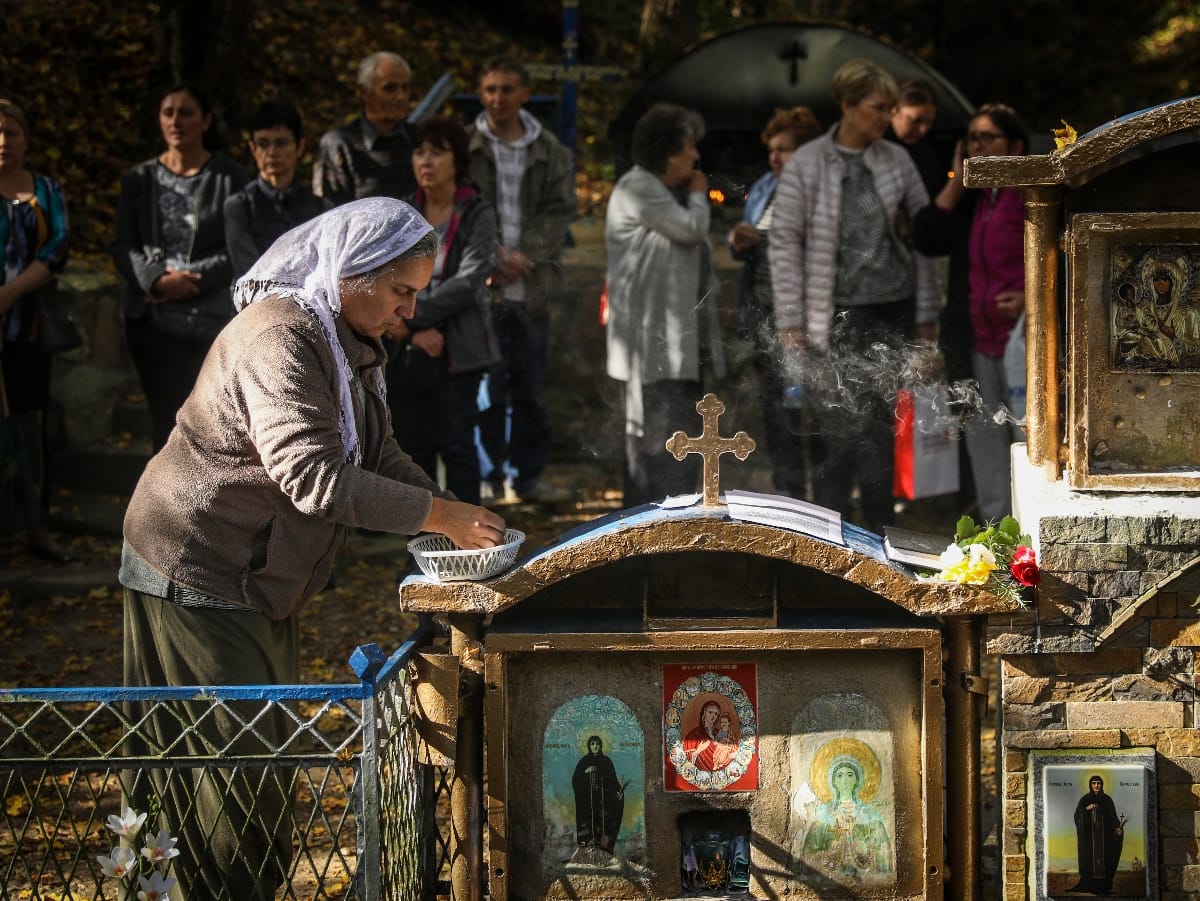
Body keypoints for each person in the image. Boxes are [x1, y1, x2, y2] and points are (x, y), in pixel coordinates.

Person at [119, 197, 506, 900]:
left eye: (416, 294)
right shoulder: (283, 336)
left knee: (252, 766)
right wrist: (439, 511)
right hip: (198, 562)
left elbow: (377, 451)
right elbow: (314, 476)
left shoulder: (347, 338)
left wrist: (456, 523)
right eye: (400, 292)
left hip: (259, 574)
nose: (408, 312)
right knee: (233, 777)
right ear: (353, 272)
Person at [768, 60, 939, 533]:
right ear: (847, 105)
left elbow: (922, 239)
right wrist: (789, 319)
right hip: (833, 315)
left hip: (892, 309)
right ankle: (831, 537)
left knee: (881, 430)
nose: (886, 116)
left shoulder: (896, 159)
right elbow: (783, 243)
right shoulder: (807, 163)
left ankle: (884, 536)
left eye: (889, 108)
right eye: (877, 107)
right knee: (835, 429)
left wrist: (926, 319)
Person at [112, 83, 249, 450]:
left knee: (210, 422)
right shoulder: (139, 180)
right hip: (151, 319)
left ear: (205, 121)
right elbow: (123, 245)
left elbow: (239, 248)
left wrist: (191, 281)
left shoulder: (231, 178)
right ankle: (162, 505)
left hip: (210, 317)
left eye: (186, 112)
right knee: (164, 420)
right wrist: (157, 281)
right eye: (168, 112)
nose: (176, 121)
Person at [468, 56, 575, 504]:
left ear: (525, 93)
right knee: (486, 391)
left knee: (529, 389)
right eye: (490, 89)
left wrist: (523, 255)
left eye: (507, 89)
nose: (498, 99)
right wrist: (492, 255)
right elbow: (462, 206)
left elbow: (560, 210)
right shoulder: (467, 147)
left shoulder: (550, 150)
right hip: (481, 288)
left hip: (532, 287)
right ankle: (488, 478)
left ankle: (526, 478)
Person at [913, 103, 1028, 523]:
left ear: (1015, 146)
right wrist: (959, 181)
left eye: (986, 138)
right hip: (976, 341)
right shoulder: (972, 200)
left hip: (1025, 340)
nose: (976, 147)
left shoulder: (1035, 195)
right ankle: (998, 533)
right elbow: (925, 235)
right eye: (971, 139)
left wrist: (1032, 298)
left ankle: (1034, 532)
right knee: (982, 437)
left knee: (1027, 440)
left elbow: (1063, 257)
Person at [606, 102, 722, 507]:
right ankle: (646, 528)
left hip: (676, 346)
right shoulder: (639, 188)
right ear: (668, 151)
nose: (695, 157)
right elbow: (691, 231)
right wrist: (698, 194)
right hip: (654, 351)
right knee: (657, 446)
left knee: (680, 441)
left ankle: (674, 521)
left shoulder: (656, 191)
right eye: (689, 147)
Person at [387, 118, 498, 504]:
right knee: (414, 450)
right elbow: (386, 275)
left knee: (458, 447)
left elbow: (470, 281)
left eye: (438, 152)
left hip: (461, 349)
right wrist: (413, 333)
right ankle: (423, 543)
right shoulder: (401, 212)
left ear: (458, 160)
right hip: (407, 350)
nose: (426, 161)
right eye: (420, 152)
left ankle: (471, 544)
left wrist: (410, 313)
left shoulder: (477, 211)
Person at [728, 106, 822, 499]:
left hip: (806, 315)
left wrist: (762, 240)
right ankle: (789, 495)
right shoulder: (765, 185)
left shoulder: (818, 189)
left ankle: (825, 497)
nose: (775, 157)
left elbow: (816, 246)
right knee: (776, 413)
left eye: (784, 149)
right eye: (772, 149)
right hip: (763, 312)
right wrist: (739, 241)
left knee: (813, 413)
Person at [0, 99, 73, 562]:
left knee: (31, 425)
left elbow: (57, 248)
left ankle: (36, 527)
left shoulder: (46, 190)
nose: (4, 142)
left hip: (28, 330)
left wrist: (7, 296)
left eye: (12, 132)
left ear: (26, 139)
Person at [224, 100, 332, 278]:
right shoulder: (239, 207)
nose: (272, 152)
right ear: (253, 149)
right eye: (263, 144)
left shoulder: (321, 209)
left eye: (281, 143)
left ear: (300, 146)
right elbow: (248, 274)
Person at [313, 51, 416, 205]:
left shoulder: (420, 140)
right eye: (390, 88)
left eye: (405, 88)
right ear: (363, 92)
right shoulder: (340, 145)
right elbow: (330, 213)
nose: (401, 96)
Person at [799, 757, 893, 883]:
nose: (844, 780)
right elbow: (808, 854)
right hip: (830, 878)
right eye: (839, 775)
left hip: (865, 877)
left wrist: (867, 847)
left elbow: (883, 853)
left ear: (856, 780)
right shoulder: (823, 814)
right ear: (834, 781)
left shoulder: (869, 814)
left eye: (849, 775)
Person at [887, 77, 945, 198]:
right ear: (893, 110)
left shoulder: (926, 153)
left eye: (929, 122)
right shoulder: (873, 149)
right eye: (915, 121)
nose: (923, 129)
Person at [1070, 775, 1124, 894]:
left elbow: (1113, 819)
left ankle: (1104, 887)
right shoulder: (1085, 800)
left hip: (1105, 839)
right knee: (1090, 861)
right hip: (1089, 840)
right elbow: (1077, 817)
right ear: (1090, 785)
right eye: (1094, 783)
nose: (1096, 786)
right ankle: (1089, 886)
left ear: (1102, 784)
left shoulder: (1107, 800)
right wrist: (1086, 809)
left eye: (1098, 783)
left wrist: (1118, 831)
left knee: (1105, 861)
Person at [571, 735, 625, 854]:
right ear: (589, 746)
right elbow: (575, 780)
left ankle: (604, 850)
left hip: (603, 803)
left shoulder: (606, 761)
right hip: (588, 804)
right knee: (589, 826)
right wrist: (586, 771)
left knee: (603, 825)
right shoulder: (584, 761)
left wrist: (618, 792)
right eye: (592, 744)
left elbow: (613, 781)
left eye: (597, 744)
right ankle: (587, 852)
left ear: (600, 746)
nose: (595, 746)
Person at [682, 700, 736, 771]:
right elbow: (687, 759)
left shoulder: (719, 732)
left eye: (716, 714)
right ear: (704, 713)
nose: (713, 716)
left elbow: (729, 749)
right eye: (710, 712)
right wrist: (698, 751)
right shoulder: (694, 734)